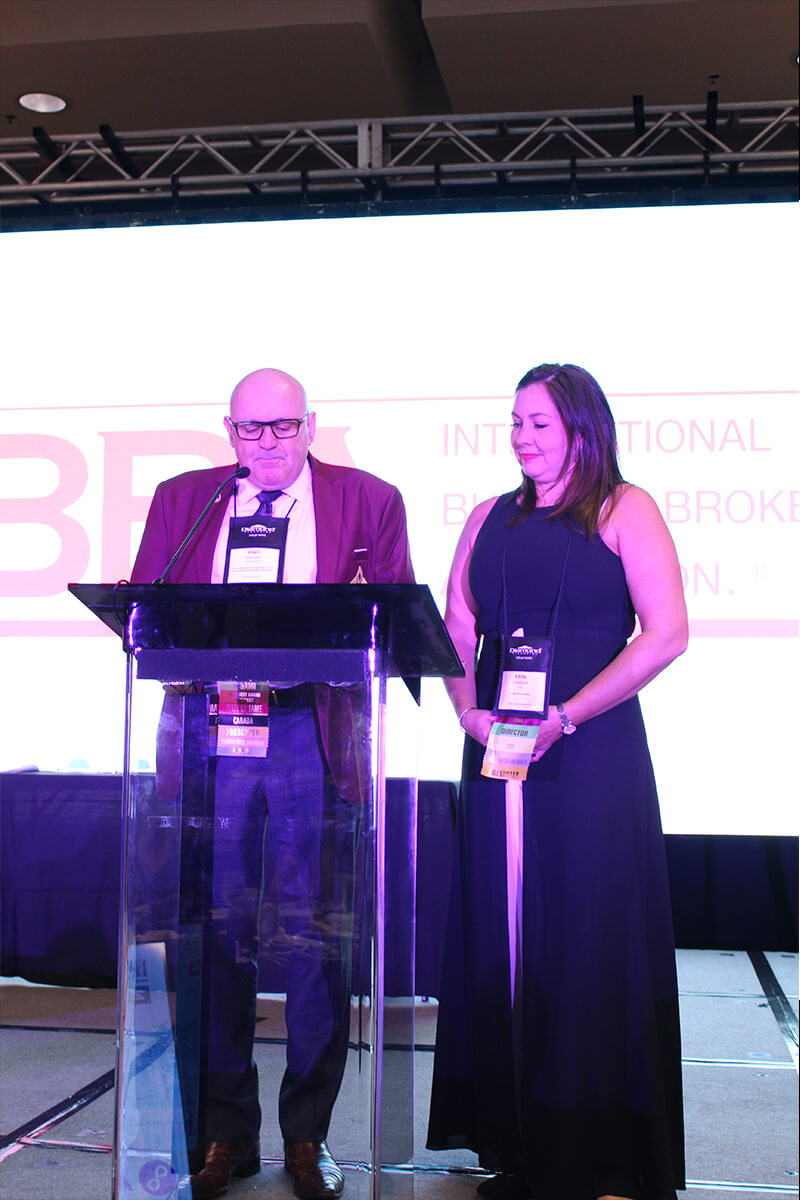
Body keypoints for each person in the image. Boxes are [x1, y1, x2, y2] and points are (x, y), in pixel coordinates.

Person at [131, 368, 414, 1200]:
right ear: (230, 432)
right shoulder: (186, 500)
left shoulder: (368, 500)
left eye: (283, 427)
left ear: (311, 426)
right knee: (217, 933)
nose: (267, 444)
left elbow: (394, 620)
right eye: (251, 429)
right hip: (213, 727)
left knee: (315, 936)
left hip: (307, 728)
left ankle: (306, 1135)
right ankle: (225, 1132)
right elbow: (145, 611)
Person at [426, 363, 687, 1200]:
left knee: (587, 939)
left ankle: (599, 1155)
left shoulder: (624, 508)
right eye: (515, 422)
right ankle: (520, 1143)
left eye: (538, 423)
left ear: (583, 428)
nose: (522, 438)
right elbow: (456, 625)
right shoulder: (488, 516)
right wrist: (468, 712)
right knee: (503, 939)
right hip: (497, 750)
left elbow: (667, 633)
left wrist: (567, 715)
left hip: (589, 753)